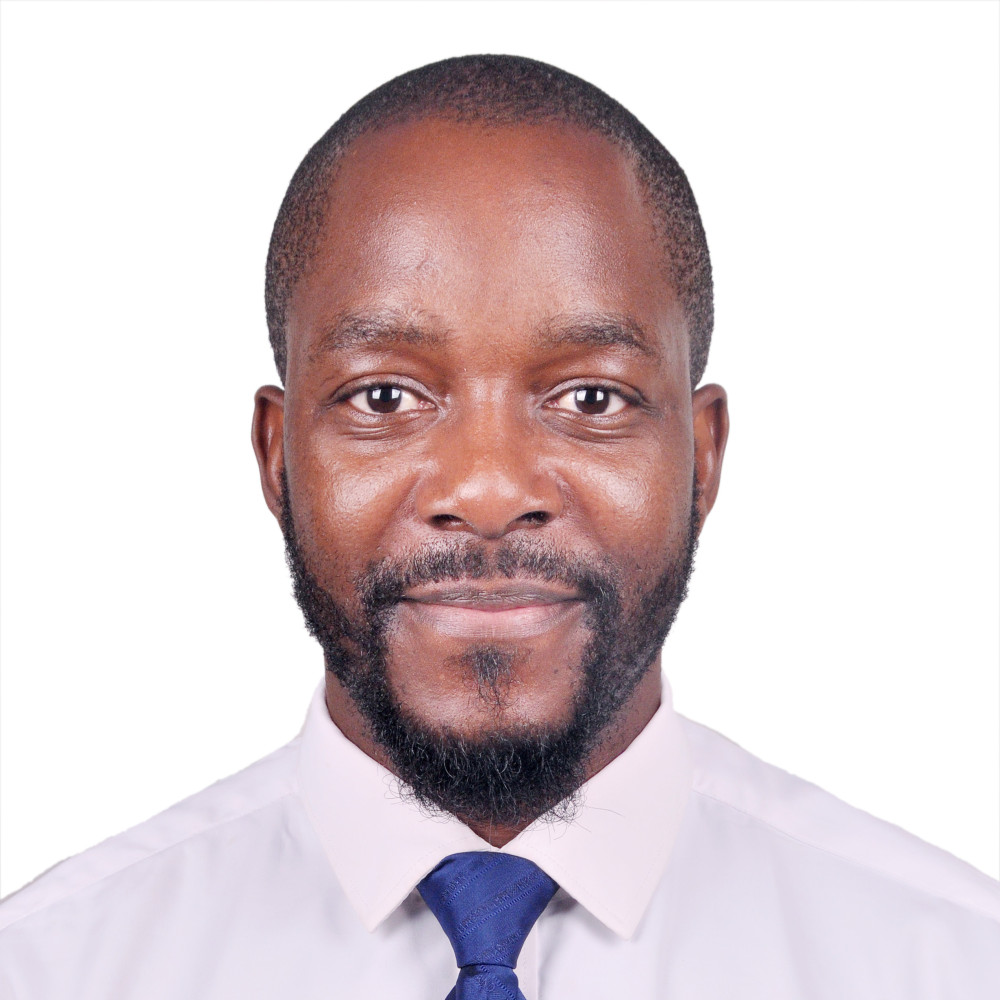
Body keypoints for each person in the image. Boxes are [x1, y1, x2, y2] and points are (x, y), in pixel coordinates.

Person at [1, 53, 997, 999]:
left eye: (592, 398)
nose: (486, 489)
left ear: (702, 456)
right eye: (384, 396)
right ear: (276, 456)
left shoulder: (949, 965)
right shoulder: (50, 970)